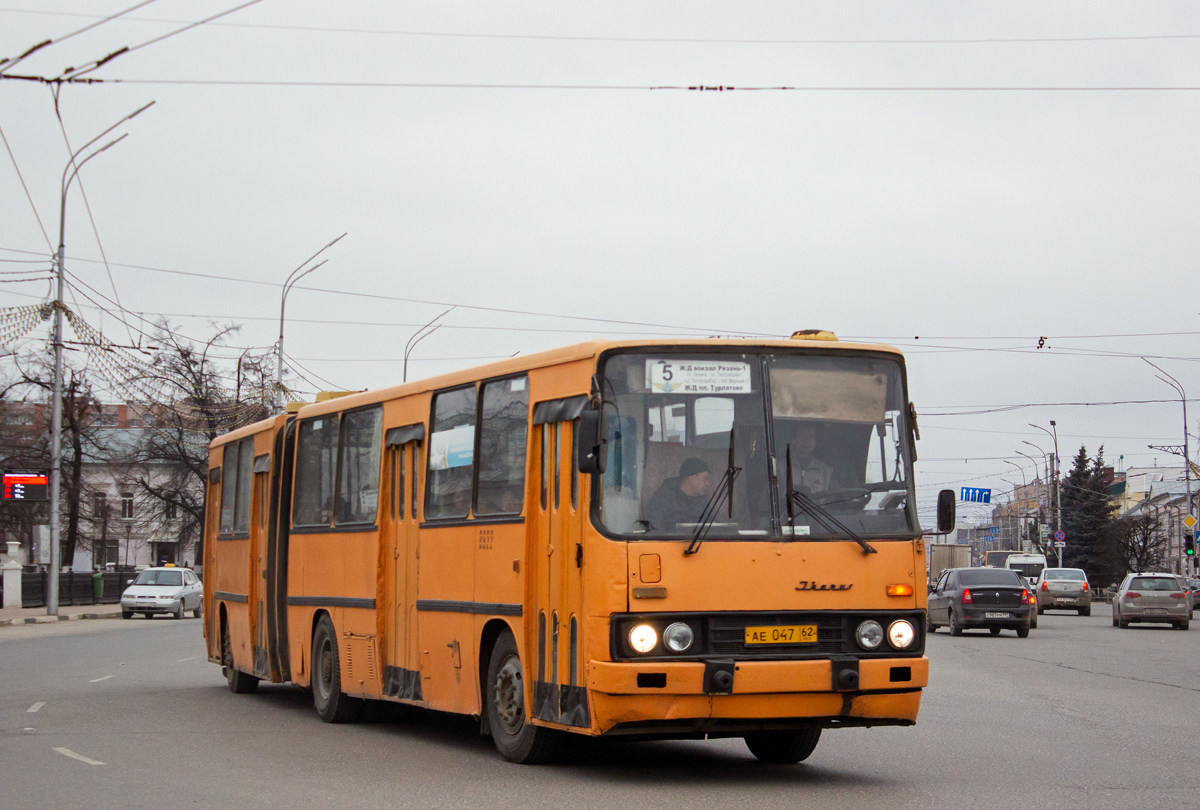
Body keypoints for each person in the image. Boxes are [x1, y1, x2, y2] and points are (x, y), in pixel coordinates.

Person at [644, 458, 712, 530]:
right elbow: (653, 526)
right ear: (692, 477)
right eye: (705, 479)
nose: (708, 484)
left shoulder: (703, 501)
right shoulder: (664, 497)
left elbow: (714, 526)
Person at [783, 421, 835, 494]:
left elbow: (834, 501)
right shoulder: (780, 468)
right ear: (793, 440)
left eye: (811, 437)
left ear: (815, 441)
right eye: (802, 437)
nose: (806, 441)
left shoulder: (826, 471)